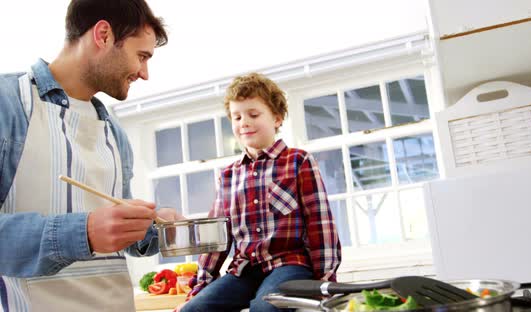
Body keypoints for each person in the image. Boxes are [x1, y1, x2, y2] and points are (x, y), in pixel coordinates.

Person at [0, 1, 182, 311]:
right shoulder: (9, 104)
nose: (144, 73)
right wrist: (82, 233)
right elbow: (91, 230)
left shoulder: (113, 131)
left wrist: (155, 228)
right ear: (103, 34)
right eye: (141, 56)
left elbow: (114, 232)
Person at [176, 73, 342, 312]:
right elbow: (217, 238)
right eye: (237, 116)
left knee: (264, 309)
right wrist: (201, 284)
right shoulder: (228, 176)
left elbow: (320, 223)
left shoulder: (298, 161)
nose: (244, 122)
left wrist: (325, 280)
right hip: (243, 270)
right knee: (192, 310)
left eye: (253, 115)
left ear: (276, 118)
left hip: (289, 265)